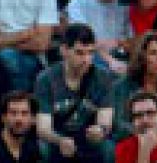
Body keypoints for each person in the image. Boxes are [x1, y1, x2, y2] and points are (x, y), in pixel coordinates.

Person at [34, 23, 117, 163]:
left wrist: (100, 130)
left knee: (108, 148)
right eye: (79, 53)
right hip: (57, 136)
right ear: (64, 50)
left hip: (88, 136)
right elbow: (43, 128)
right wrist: (60, 140)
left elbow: (106, 120)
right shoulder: (46, 79)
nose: (86, 60)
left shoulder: (102, 77)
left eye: (90, 53)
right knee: (43, 148)